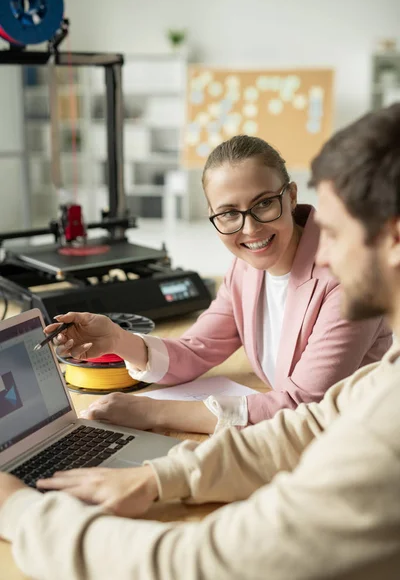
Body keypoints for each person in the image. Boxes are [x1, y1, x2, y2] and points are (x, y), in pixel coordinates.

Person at [1, 103, 400, 579]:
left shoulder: (384, 426)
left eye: (331, 233)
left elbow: (203, 562)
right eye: (229, 215)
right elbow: (312, 422)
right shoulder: (385, 380)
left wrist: (23, 513)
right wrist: (159, 474)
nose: (322, 253)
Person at [43, 136, 390, 434]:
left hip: (354, 446)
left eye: (264, 203)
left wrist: (151, 412)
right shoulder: (245, 269)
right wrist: (118, 340)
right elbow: (196, 350)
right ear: (213, 215)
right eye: (228, 213)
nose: (251, 229)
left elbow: (302, 408)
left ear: (292, 196)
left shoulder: (347, 276)